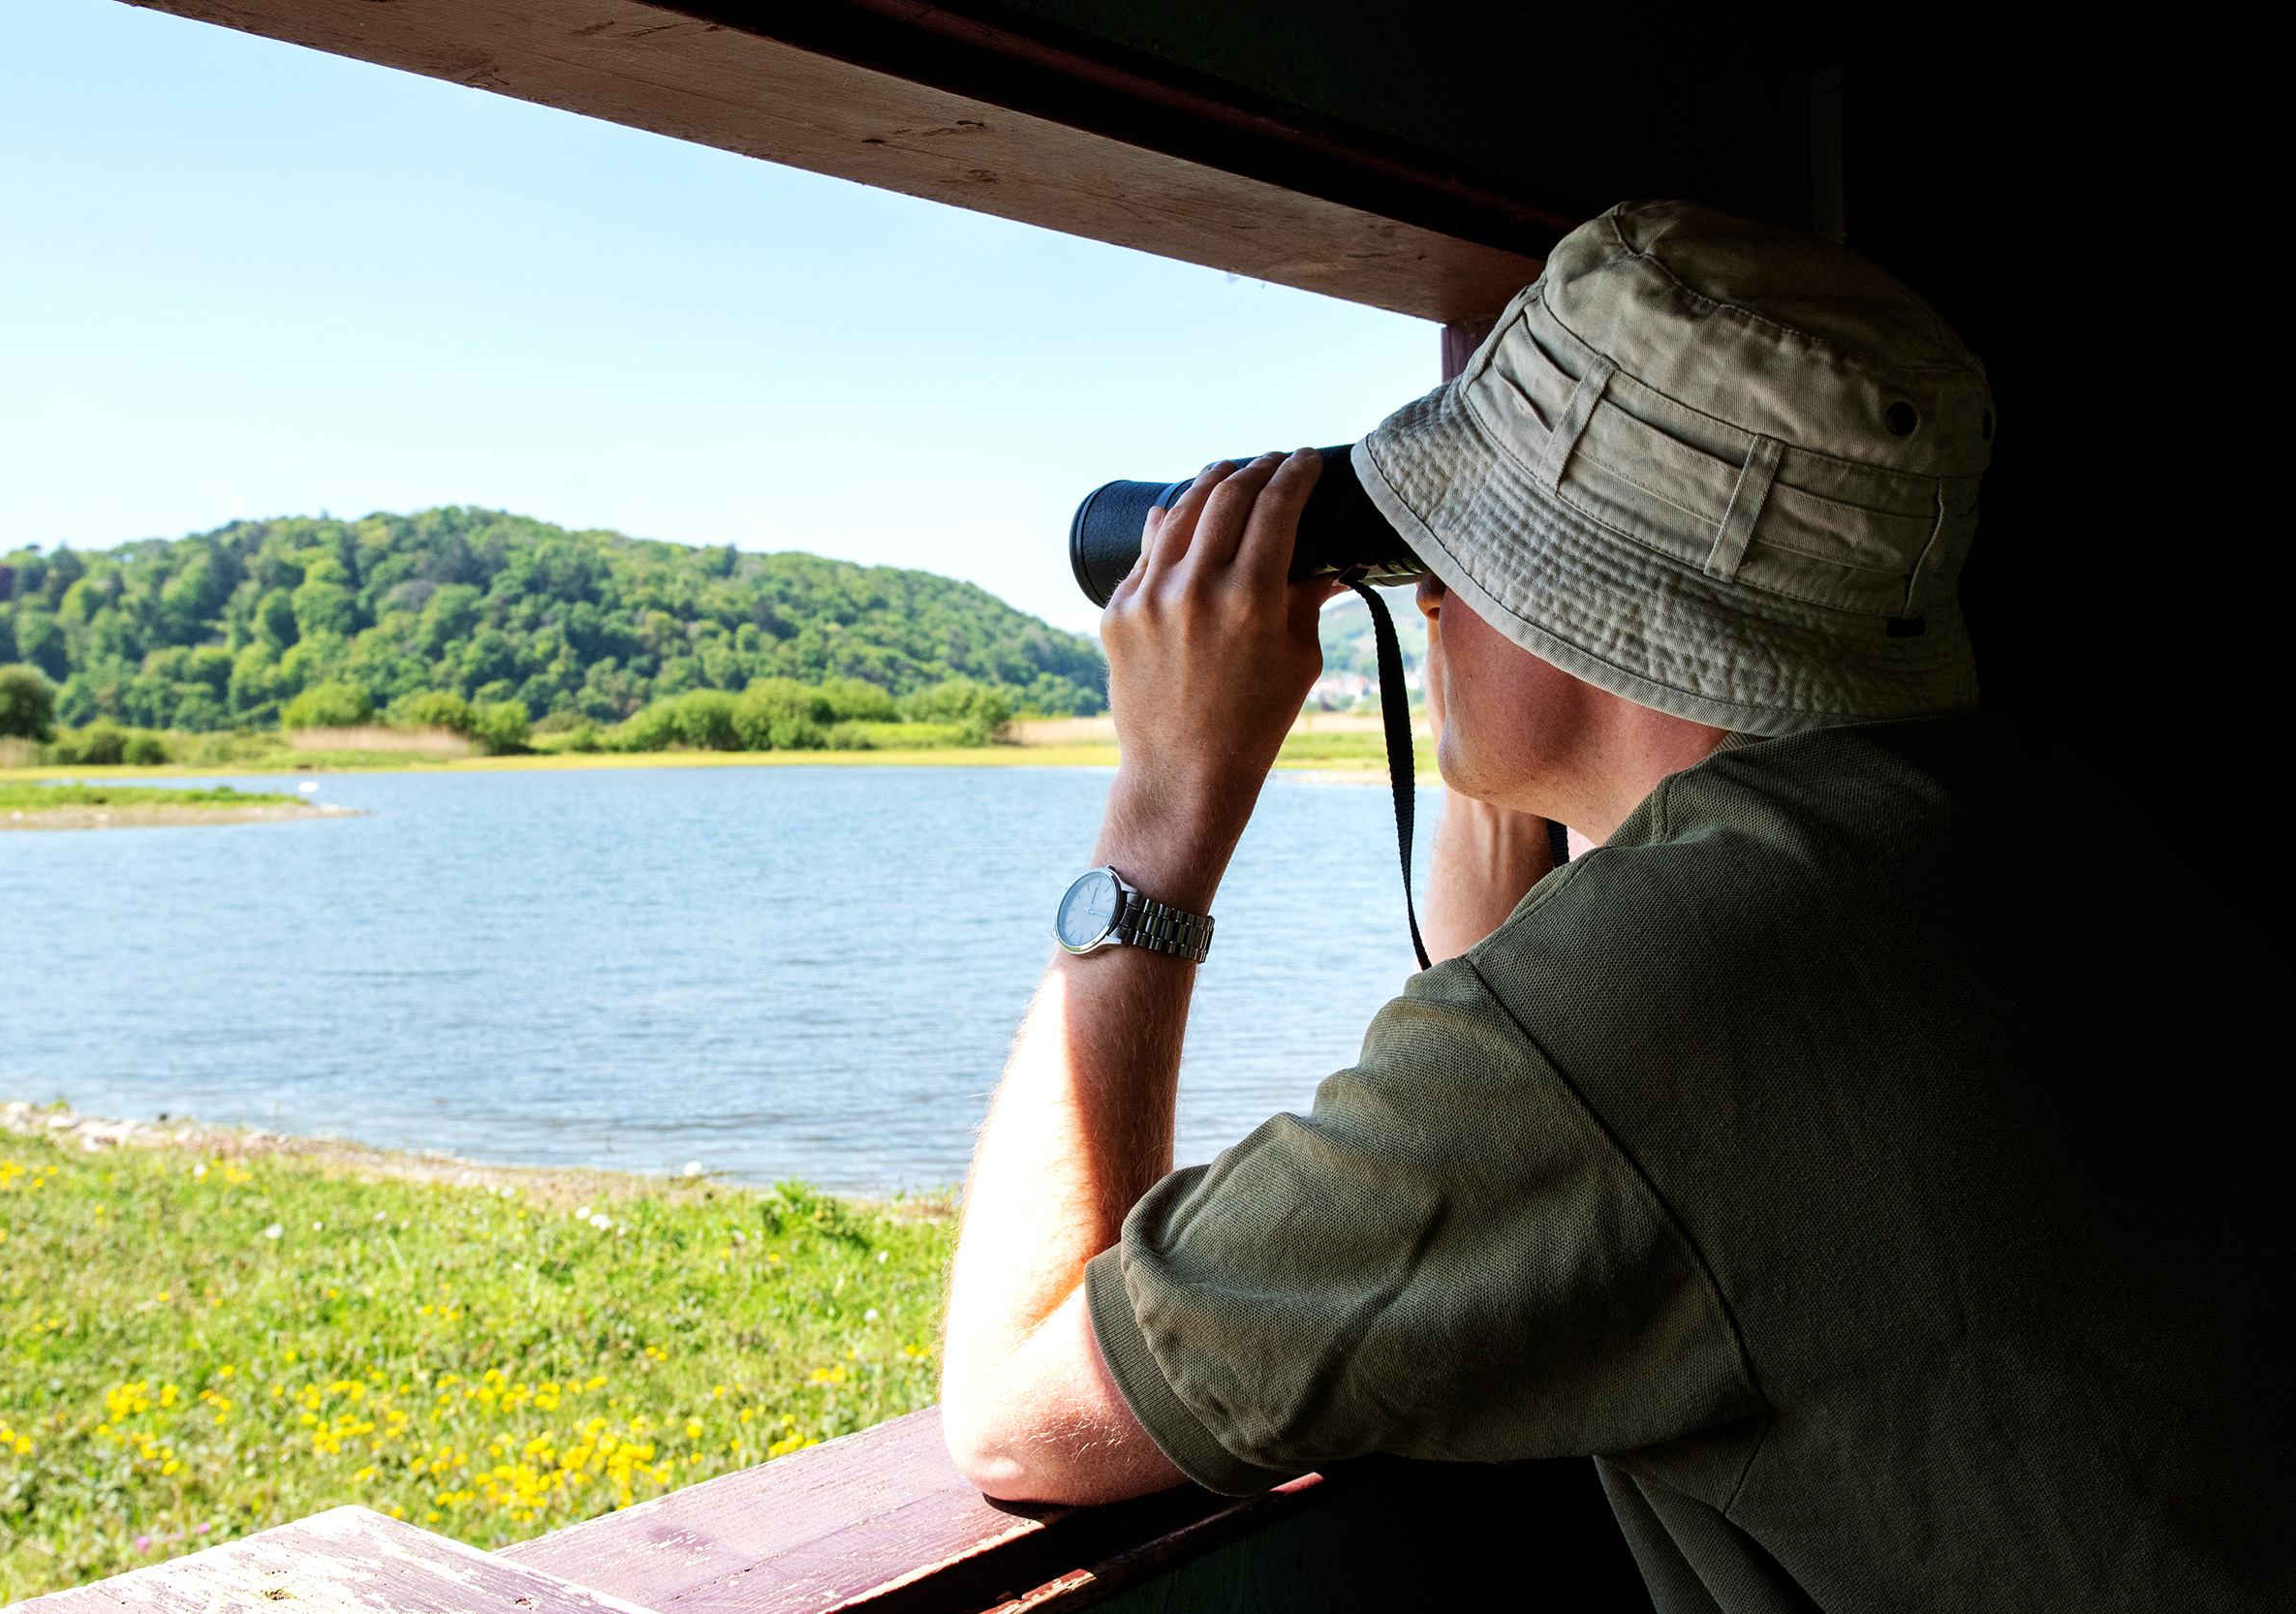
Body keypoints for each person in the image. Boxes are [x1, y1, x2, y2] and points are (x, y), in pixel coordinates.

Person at [937, 201, 2293, 1612]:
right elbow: (1547, 1045)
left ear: (1585, 596)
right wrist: (1524, 716)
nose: (1432, 589)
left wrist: (1161, 813)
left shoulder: (1669, 993)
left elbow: (1021, 1408)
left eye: (1460, 542)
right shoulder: (1999, 810)